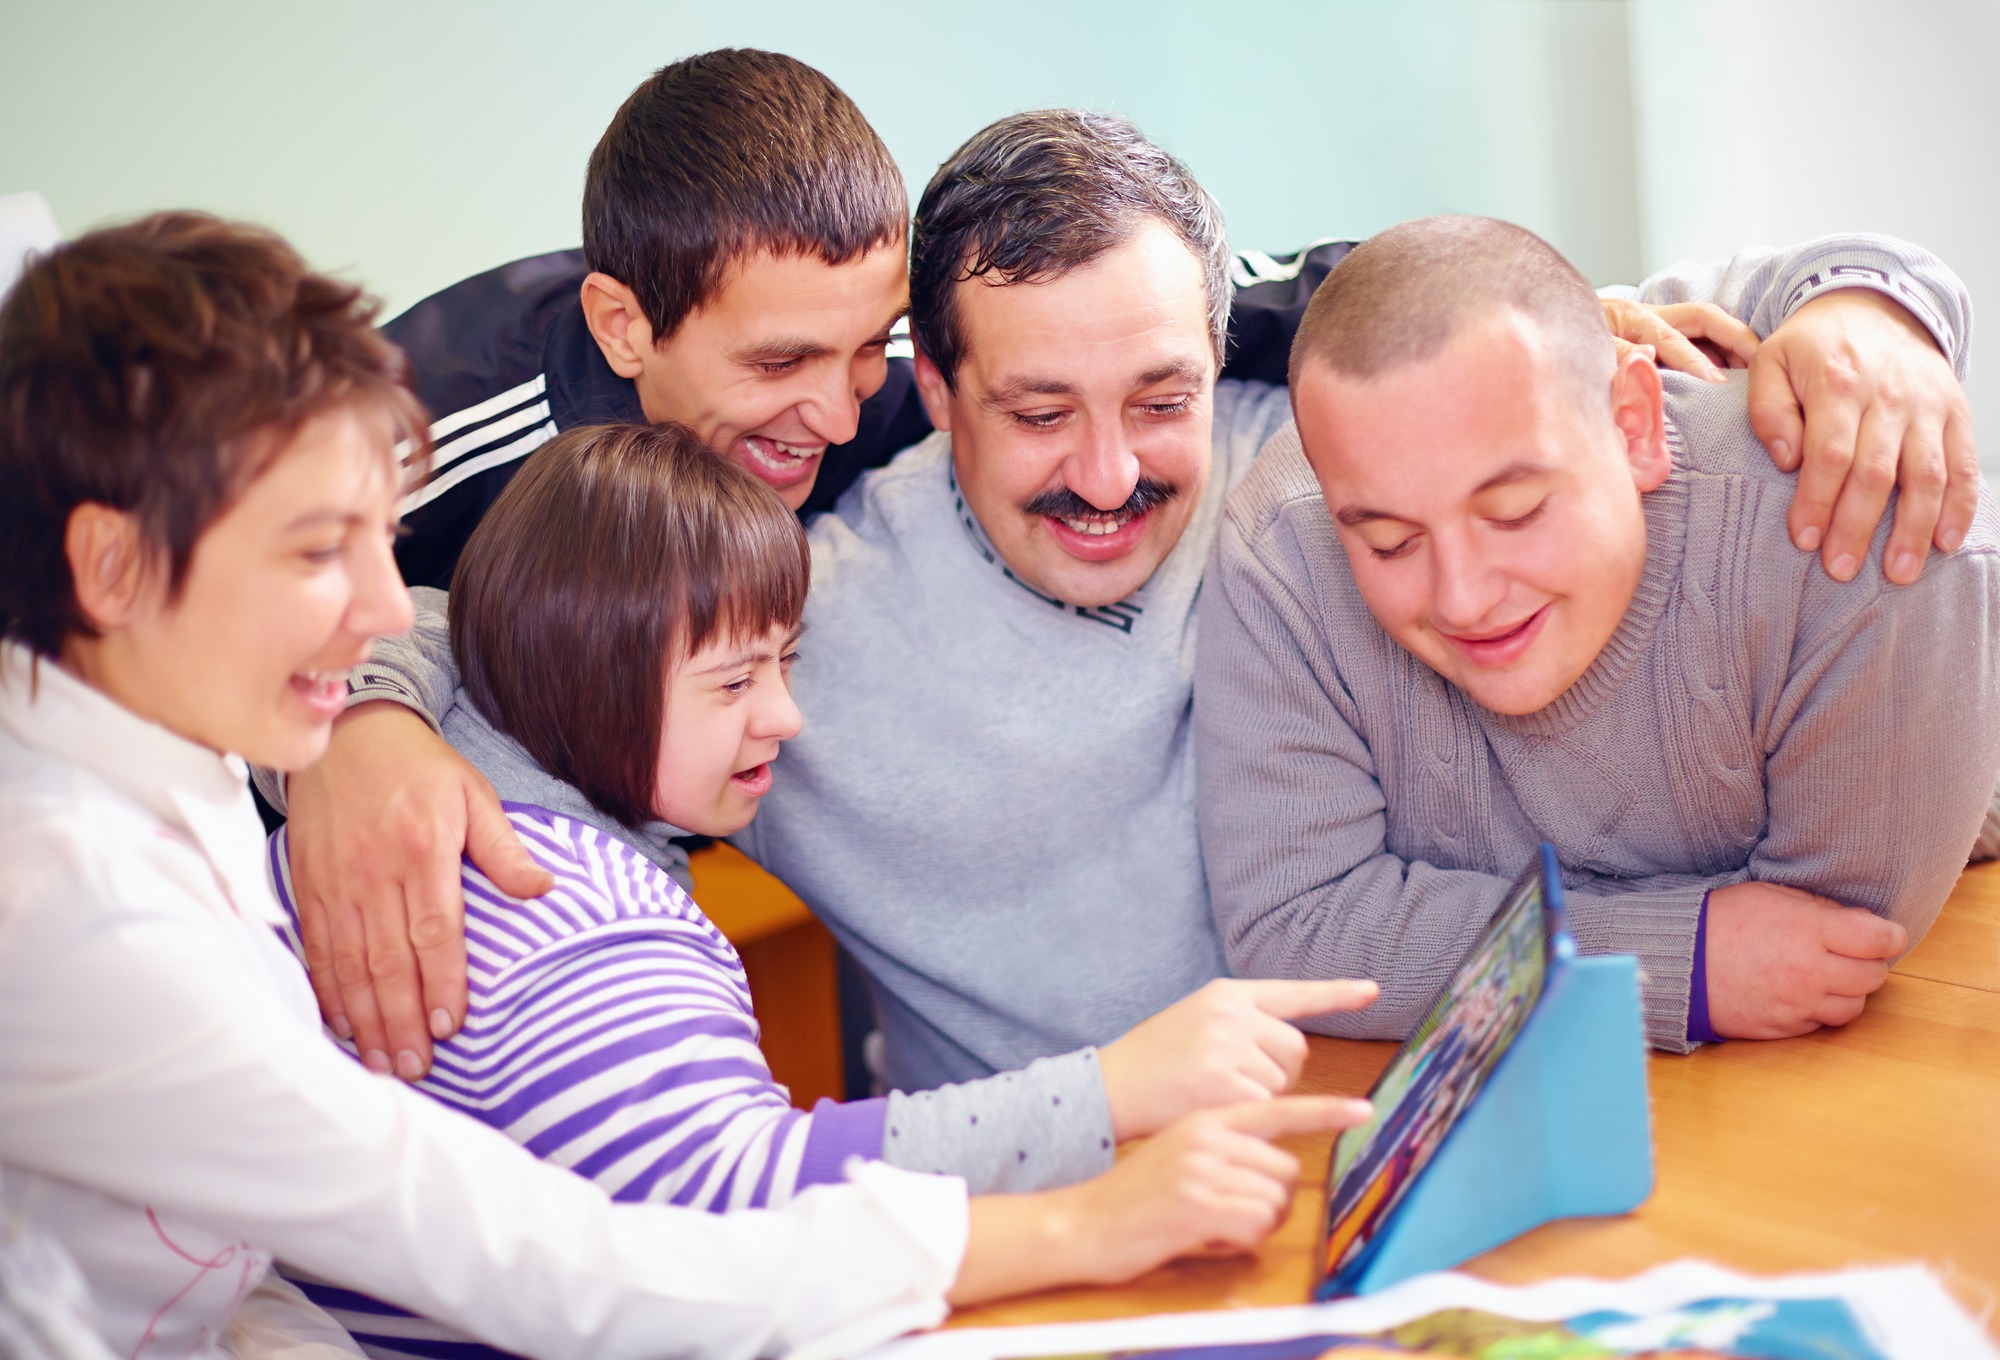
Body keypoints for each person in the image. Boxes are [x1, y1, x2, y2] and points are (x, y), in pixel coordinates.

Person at [333, 110, 1979, 1094]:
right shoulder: (789, 619)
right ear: (928, 393)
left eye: (1160, 397)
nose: (1113, 475)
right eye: (1039, 414)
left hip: (1467, 1104)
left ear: (1222, 353)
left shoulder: (1319, 430)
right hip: (1084, 1221)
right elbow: (479, 666)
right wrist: (368, 723)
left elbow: (1607, 323)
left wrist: (1867, 308)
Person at [0, 212, 1368, 1360]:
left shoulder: (176, 757)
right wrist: (1092, 1212)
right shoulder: (83, 917)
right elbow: (553, 1254)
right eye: (315, 553)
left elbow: (261, 1279)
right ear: (110, 568)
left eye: (380, 542)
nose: (377, 608)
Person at [270, 419, 1377, 1356]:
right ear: (585, 671)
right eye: (736, 680)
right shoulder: (559, 911)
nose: (784, 718)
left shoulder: (467, 778)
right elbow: (748, 1203)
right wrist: (1113, 1098)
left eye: (784, 665)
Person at [1195, 215, 2000, 1052]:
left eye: (1515, 512)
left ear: (1635, 428)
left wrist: (1872, 298)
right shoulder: (1285, 541)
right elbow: (1297, 926)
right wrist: (1661, 956)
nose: (1464, 600)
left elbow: (1820, 950)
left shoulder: (1870, 538)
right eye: (1390, 543)